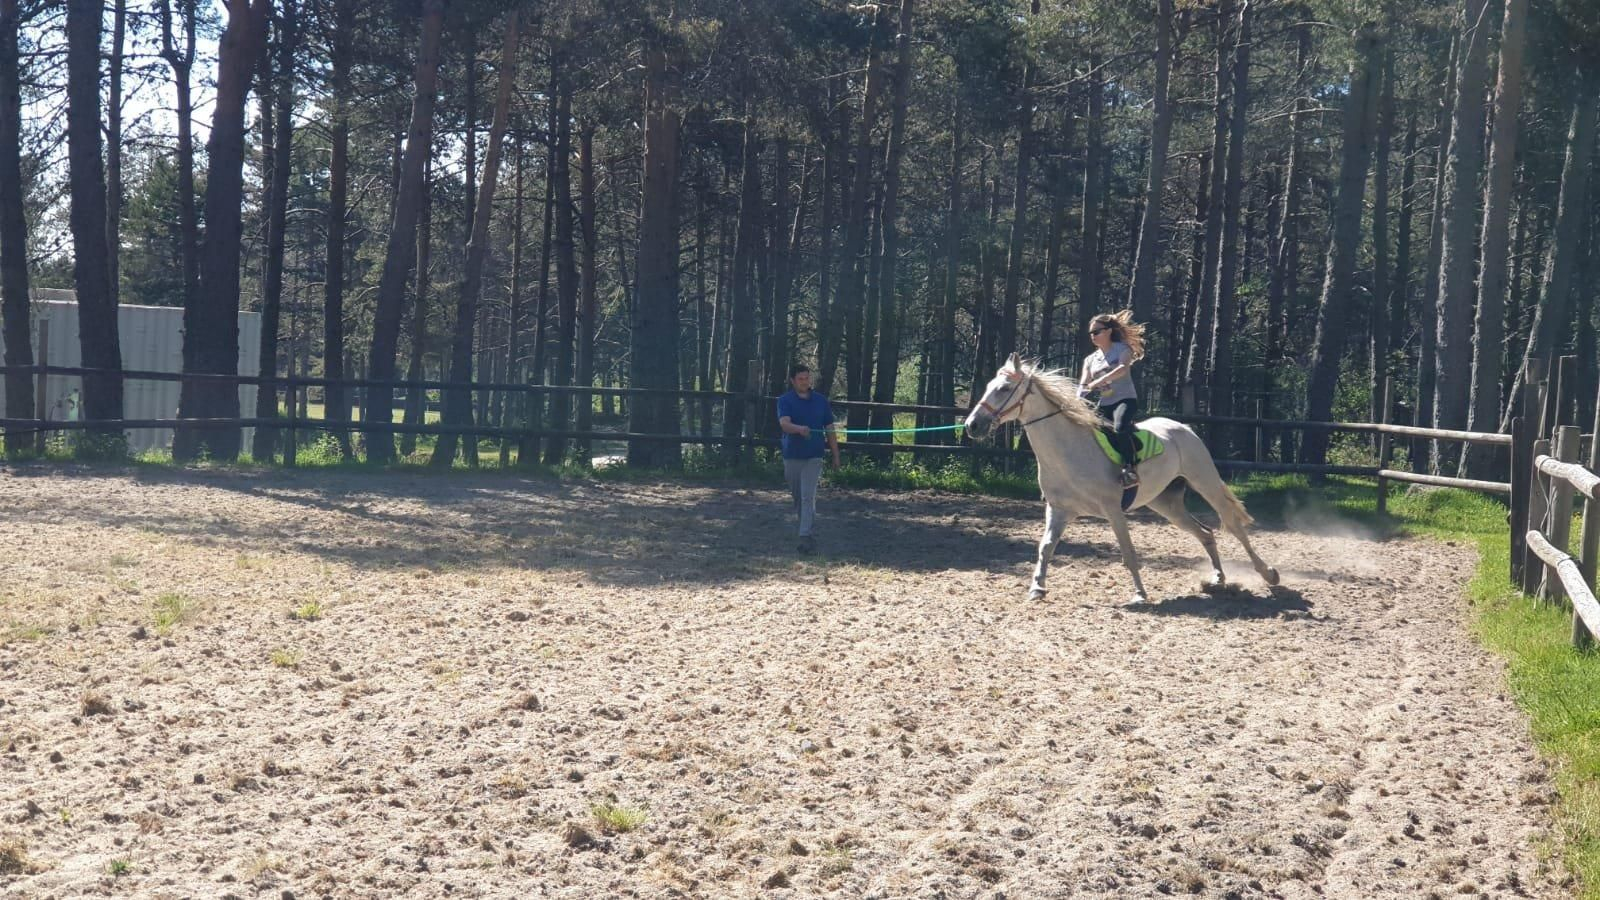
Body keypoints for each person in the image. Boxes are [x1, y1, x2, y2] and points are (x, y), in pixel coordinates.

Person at [1078, 310, 1148, 488]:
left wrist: (1100, 381)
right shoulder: (1090, 360)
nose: (1092, 336)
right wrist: (1076, 400)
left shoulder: (1122, 349)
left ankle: (1130, 469)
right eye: (1091, 334)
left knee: (1120, 427)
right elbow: (1083, 384)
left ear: (1108, 331)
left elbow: (1123, 369)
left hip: (1125, 400)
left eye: (1096, 332)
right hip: (1105, 403)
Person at [776, 364, 840, 555]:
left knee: (807, 496)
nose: (805, 382)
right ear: (793, 381)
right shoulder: (785, 400)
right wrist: (799, 429)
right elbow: (784, 424)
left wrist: (836, 455)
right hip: (792, 455)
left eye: (807, 378)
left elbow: (830, 428)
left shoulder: (821, 401)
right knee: (798, 498)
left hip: (814, 455)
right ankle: (807, 529)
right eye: (801, 379)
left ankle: (805, 536)